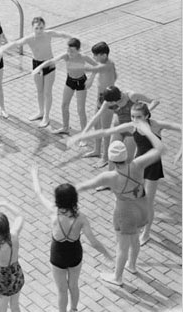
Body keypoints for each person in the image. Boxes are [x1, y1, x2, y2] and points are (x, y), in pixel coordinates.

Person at [69, 102, 180, 246]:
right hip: (138, 164)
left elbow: (180, 127)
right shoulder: (131, 126)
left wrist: (180, 150)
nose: (135, 120)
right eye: (133, 116)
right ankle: (138, 223)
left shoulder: (156, 125)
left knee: (149, 203)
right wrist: (79, 137)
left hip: (152, 166)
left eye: (139, 117)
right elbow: (106, 132)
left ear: (147, 115)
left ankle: (146, 233)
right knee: (138, 198)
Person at [75, 121, 165, 285]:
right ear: (125, 155)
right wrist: (149, 132)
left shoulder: (109, 177)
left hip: (125, 213)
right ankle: (132, 265)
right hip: (142, 207)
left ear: (111, 158)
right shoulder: (138, 164)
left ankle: (117, 277)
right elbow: (160, 149)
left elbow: (82, 187)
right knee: (135, 238)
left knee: (122, 246)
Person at [31, 167, 111, 312]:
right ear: (74, 199)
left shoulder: (54, 213)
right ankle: (73, 311)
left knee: (61, 289)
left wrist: (35, 175)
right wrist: (107, 254)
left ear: (58, 200)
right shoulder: (81, 218)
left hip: (58, 256)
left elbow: (39, 192)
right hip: (75, 254)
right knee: (73, 285)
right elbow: (93, 242)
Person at [0, 17, 72, 128]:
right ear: (32, 28)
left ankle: (47, 116)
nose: (39, 30)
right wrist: (1, 49)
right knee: (40, 91)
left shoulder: (48, 34)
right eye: (36, 28)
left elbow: (62, 34)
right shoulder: (30, 38)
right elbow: (16, 43)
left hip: (49, 64)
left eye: (41, 28)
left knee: (47, 92)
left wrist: (75, 38)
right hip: (37, 65)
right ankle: (41, 112)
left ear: (44, 27)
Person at [80, 86, 159, 173]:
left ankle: (125, 180)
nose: (108, 104)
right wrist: (84, 132)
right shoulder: (108, 102)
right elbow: (96, 117)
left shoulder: (132, 96)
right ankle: (110, 180)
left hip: (132, 131)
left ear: (115, 100)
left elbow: (154, 101)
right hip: (118, 127)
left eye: (110, 103)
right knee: (112, 155)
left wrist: (143, 113)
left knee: (128, 159)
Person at [32, 38, 97, 134]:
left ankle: (84, 135)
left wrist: (91, 79)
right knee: (64, 105)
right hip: (70, 81)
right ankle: (65, 127)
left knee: (80, 110)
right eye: (68, 50)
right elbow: (52, 61)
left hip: (81, 83)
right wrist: (40, 67)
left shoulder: (83, 57)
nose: (69, 53)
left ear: (78, 50)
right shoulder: (66, 56)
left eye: (72, 51)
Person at [77, 42, 117, 164]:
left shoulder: (108, 65)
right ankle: (97, 150)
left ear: (104, 55)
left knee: (105, 129)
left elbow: (92, 68)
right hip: (100, 97)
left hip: (108, 100)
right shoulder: (102, 62)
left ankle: (105, 157)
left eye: (95, 55)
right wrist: (92, 79)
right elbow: (97, 69)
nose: (94, 57)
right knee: (96, 124)